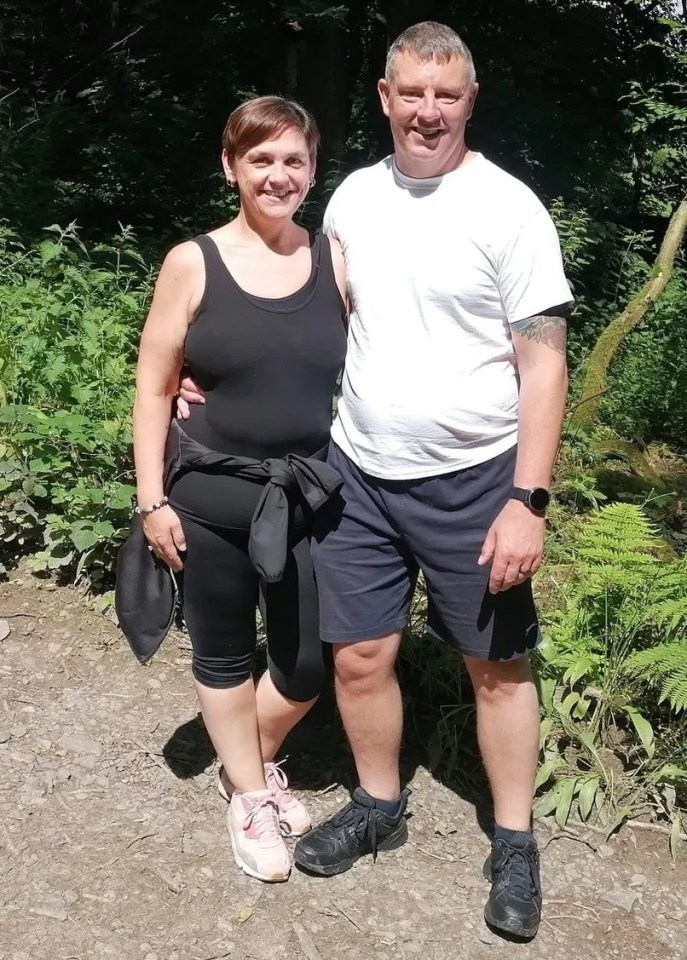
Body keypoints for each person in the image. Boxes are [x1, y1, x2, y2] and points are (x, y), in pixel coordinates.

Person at [180, 21, 571, 939]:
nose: (425, 111)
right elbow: (312, 308)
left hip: (477, 479)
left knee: (496, 668)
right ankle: (378, 804)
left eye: (445, 95)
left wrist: (527, 498)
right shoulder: (353, 196)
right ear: (385, 98)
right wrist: (210, 369)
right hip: (358, 472)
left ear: (468, 103)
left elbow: (543, 362)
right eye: (410, 93)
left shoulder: (509, 209)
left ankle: (513, 842)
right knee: (360, 657)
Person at [133, 95, 347, 884]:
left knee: (306, 662)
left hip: (306, 495)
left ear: (313, 170)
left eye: (294, 160)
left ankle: (238, 760)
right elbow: (155, 387)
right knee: (222, 653)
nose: (277, 174)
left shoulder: (334, 258)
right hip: (209, 496)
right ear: (231, 167)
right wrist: (152, 499)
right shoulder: (193, 261)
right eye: (261, 159)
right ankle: (251, 794)